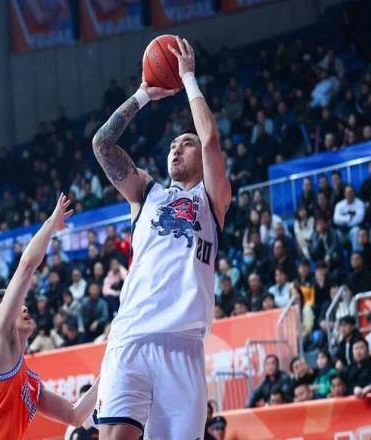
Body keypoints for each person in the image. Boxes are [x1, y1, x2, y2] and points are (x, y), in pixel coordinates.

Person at [89, 36, 231, 439]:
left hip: (183, 345)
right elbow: (102, 145)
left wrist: (187, 78)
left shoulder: (212, 199)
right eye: (172, 144)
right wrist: (142, 95)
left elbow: (211, 138)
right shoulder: (147, 192)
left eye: (186, 144)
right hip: (131, 337)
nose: (176, 148)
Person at [0, 195, 98, 440]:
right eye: (15, 306)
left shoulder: (30, 383)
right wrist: (51, 225)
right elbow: (25, 267)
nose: (23, 307)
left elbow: (75, 415)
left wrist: (112, 367)